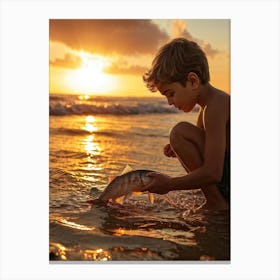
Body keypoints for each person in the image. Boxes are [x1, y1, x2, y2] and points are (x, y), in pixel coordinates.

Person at [142, 38, 230, 210]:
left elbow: (212, 172)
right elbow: (210, 155)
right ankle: (215, 200)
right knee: (181, 136)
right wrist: (181, 148)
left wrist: (169, 184)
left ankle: (216, 203)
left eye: (171, 93)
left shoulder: (216, 106)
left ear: (193, 81)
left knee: (179, 132)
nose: (169, 102)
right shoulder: (207, 109)